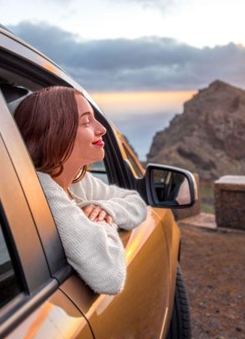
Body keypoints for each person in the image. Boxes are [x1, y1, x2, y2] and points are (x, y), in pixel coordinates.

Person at [14, 86, 147, 295]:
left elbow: (137, 204)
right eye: (86, 121)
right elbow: (110, 278)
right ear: (55, 133)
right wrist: (103, 222)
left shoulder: (76, 180)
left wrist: (105, 208)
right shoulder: (44, 194)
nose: (101, 128)